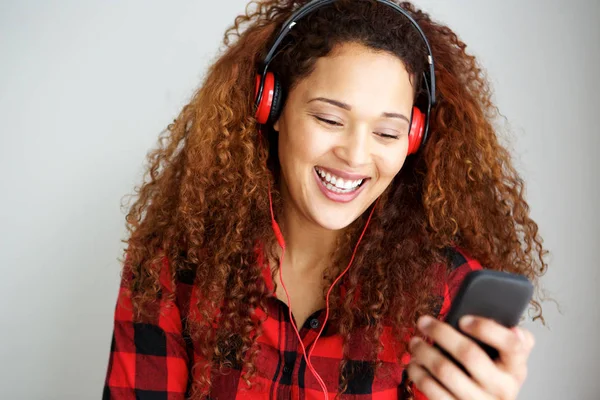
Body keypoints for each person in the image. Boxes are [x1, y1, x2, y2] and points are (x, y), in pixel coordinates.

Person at [103, 0, 547, 399]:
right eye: (329, 118)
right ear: (270, 107)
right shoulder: (173, 262)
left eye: (387, 133)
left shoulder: (443, 290)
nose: (355, 155)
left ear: (413, 139)